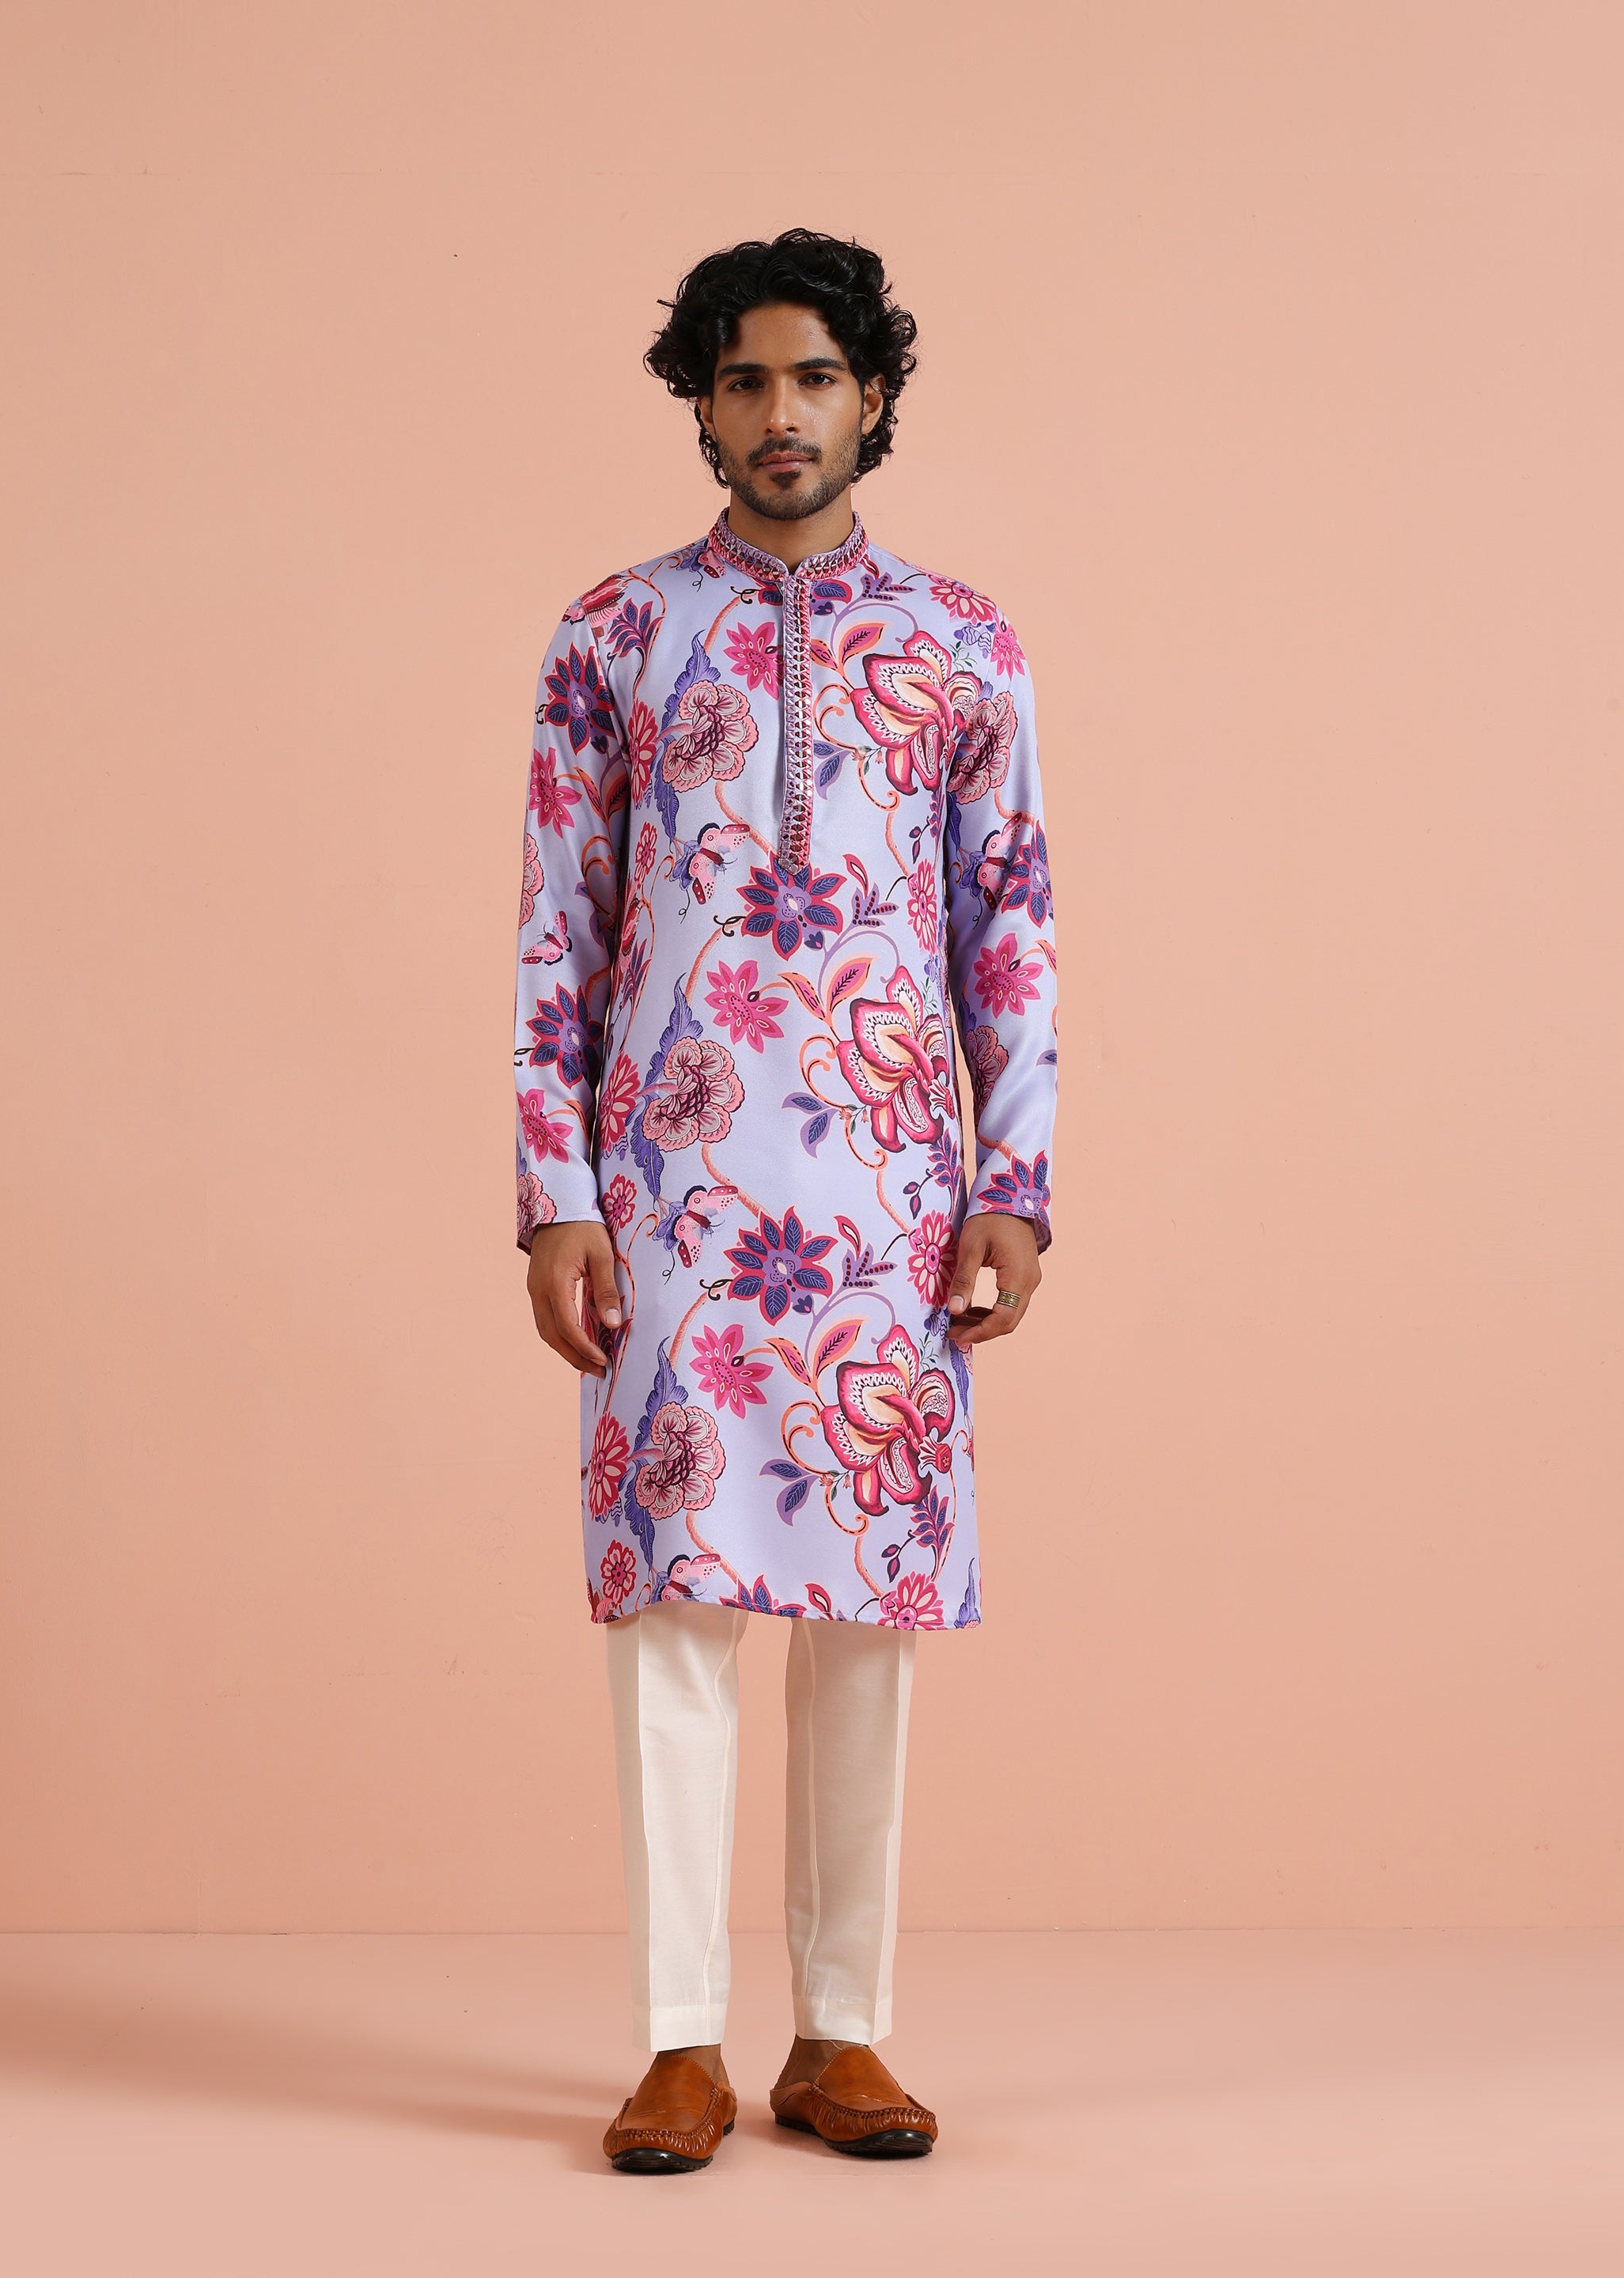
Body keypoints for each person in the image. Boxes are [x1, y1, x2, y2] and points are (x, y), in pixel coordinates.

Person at [511, 228, 1058, 2174]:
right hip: (671, 1194)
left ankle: (842, 2034)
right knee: (671, 1607)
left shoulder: (962, 642)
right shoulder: (614, 633)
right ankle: (680, 2041)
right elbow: (557, 938)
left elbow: (1012, 929)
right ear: (703, 403)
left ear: (872, 396)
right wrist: (556, 1193)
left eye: (814, 376)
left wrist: (1015, 1184)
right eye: (743, 379)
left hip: (891, 1198)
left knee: (868, 1617)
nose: (779, 413)